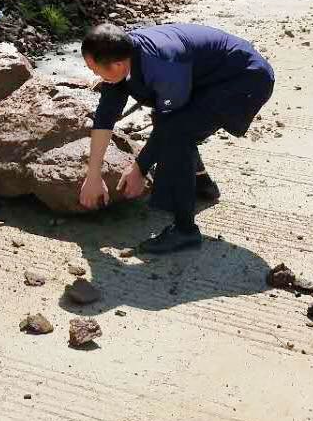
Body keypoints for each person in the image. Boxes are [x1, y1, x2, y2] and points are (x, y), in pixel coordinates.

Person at [78, 22, 275, 253]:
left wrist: (140, 168)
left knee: (177, 133)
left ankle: (185, 231)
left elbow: (170, 126)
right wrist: (93, 175)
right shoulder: (120, 53)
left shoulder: (163, 65)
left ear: (118, 65)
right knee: (176, 124)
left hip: (245, 79)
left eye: (94, 69)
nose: (94, 75)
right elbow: (105, 117)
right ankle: (202, 184)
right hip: (209, 76)